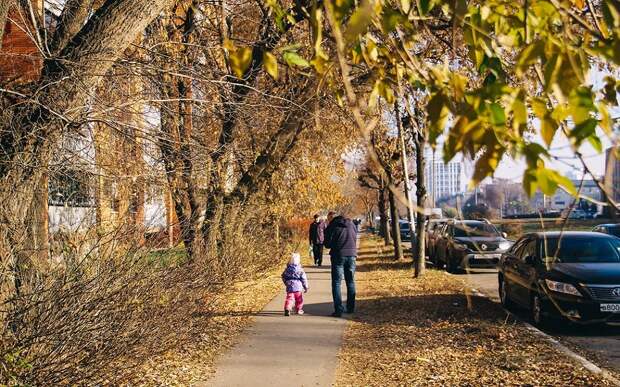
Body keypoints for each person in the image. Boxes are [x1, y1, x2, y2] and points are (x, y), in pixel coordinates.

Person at [324, 211, 357, 318]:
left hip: (338, 255)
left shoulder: (333, 225)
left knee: (337, 283)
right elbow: (355, 236)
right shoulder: (351, 224)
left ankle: (338, 310)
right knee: (350, 282)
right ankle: (350, 308)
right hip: (352, 255)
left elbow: (327, 244)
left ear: (331, 218)